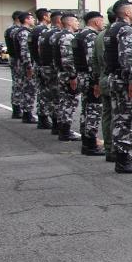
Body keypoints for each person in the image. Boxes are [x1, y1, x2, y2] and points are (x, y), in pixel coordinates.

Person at [104, 0, 132, 173]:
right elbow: (127, 59)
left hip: (114, 77)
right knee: (127, 119)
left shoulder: (111, 29)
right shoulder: (126, 30)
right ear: (127, 12)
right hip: (123, 80)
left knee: (120, 117)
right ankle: (123, 159)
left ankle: (123, 154)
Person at [72, 11, 105, 155]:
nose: (103, 24)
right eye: (101, 21)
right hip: (90, 78)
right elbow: (92, 61)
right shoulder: (90, 36)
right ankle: (90, 143)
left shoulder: (79, 35)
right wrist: (96, 81)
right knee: (93, 110)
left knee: (86, 108)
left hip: (82, 76)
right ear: (96, 22)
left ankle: (86, 139)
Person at [54, 13, 82, 142]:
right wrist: (73, 76)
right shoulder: (68, 37)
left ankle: (62, 129)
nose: (78, 23)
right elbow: (68, 59)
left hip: (61, 73)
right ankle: (65, 131)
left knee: (63, 102)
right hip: (67, 75)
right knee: (69, 103)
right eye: (76, 21)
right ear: (69, 22)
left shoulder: (57, 35)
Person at [92, 8, 116, 161]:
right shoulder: (119, 33)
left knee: (107, 115)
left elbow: (94, 60)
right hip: (114, 79)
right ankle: (116, 150)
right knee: (118, 116)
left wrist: (96, 80)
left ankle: (109, 148)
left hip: (103, 77)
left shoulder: (100, 35)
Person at [38, 11, 64, 134]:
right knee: (58, 98)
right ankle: (57, 125)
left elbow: (38, 50)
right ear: (60, 21)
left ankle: (53, 123)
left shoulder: (44, 33)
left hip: (44, 67)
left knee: (50, 96)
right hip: (54, 70)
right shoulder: (58, 34)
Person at [28, 8, 53, 129]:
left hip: (38, 64)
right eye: (49, 15)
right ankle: (43, 118)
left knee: (42, 92)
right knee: (46, 93)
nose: (50, 17)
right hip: (43, 65)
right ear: (44, 17)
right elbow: (40, 49)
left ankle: (43, 118)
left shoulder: (34, 30)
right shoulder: (43, 31)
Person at [11, 12, 38, 124]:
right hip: (25, 64)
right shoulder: (24, 33)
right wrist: (29, 66)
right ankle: (27, 114)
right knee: (29, 89)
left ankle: (24, 112)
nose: (33, 20)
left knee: (22, 87)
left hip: (20, 63)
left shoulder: (16, 31)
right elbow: (25, 50)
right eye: (31, 18)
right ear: (26, 20)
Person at [4, 11, 22, 118]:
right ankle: (17, 109)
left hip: (13, 58)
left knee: (16, 84)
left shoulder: (9, 30)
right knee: (19, 85)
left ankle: (16, 108)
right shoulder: (16, 31)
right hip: (17, 60)